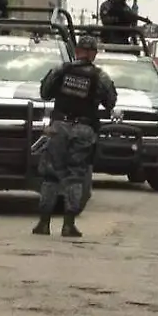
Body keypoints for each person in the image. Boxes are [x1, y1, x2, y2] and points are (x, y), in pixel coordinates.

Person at [32, 34, 118, 238]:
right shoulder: (101, 77)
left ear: (77, 51)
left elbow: (45, 93)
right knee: (76, 176)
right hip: (83, 130)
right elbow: (110, 102)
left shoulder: (60, 70)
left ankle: (43, 223)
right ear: (94, 54)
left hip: (58, 128)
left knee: (51, 175)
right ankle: (68, 225)